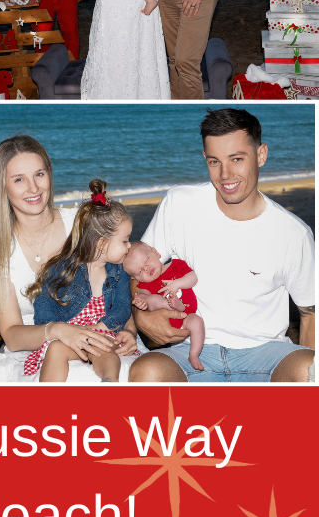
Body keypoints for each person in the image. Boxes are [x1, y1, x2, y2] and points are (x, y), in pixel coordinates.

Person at [127, 108, 314, 382]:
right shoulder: (179, 204)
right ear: (205, 158)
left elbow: (310, 314)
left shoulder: (293, 233)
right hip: (194, 349)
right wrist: (142, 317)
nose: (226, 174)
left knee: (307, 368)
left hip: (266, 353)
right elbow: (137, 265)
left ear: (261, 155)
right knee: (147, 372)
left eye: (237, 159)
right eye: (214, 161)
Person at [0, 135, 145, 383]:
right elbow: (12, 336)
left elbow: (115, 284)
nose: (33, 188)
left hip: (104, 340)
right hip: (34, 351)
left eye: (39, 174)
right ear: (1, 187)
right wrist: (59, 331)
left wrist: (130, 331)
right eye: (19, 179)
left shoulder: (80, 224)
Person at [26, 181, 137, 382]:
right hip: (69, 337)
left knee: (103, 348)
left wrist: (99, 329)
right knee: (56, 349)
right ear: (102, 243)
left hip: (103, 334)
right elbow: (44, 303)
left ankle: (109, 382)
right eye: (125, 240)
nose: (129, 246)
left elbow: (122, 308)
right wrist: (55, 328)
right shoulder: (63, 269)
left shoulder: (119, 273)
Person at [125, 242, 205, 371]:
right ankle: (170, 304)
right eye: (140, 271)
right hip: (167, 320)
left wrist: (177, 284)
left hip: (186, 315)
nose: (146, 268)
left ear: (155, 253)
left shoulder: (177, 265)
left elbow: (193, 278)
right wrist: (141, 302)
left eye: (146, 260)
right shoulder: (145, 285)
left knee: (197, 322)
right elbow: (145, 298)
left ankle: (194, 354)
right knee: (152, 299)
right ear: (135, 278)